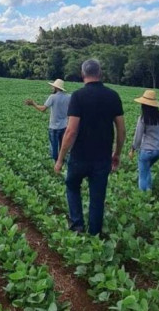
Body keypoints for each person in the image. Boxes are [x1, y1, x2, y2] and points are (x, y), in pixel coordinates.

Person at [54, 60, 125, 236]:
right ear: (100, 73)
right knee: (97, 197)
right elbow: (121, 130)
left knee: (72, 185)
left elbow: (70, 131)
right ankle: (94, 234)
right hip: (102, 157)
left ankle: (77, 225)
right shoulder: (113, 96)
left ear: (82, 74)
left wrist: (60, 158)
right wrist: (116, 154)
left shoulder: (78, 96)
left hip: (79, 156)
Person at [128, 90, 159, 192]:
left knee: (142, 175)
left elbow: (138, 137)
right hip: (158, 151)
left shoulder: (143, 118)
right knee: (147, 170)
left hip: (146, 150)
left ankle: (143, 196)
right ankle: (149, 191)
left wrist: (133, 148)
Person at [25, 79, 71, 161]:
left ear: (56, 88)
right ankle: (62, 163)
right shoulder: (68, 97)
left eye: (53, 87)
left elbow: (43, 109)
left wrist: (33, 104)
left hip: (53, 127)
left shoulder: (52, 97)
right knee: (62, 147)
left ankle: (55, 164)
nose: (52, 88)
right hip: (64, 126)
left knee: (54, 148)